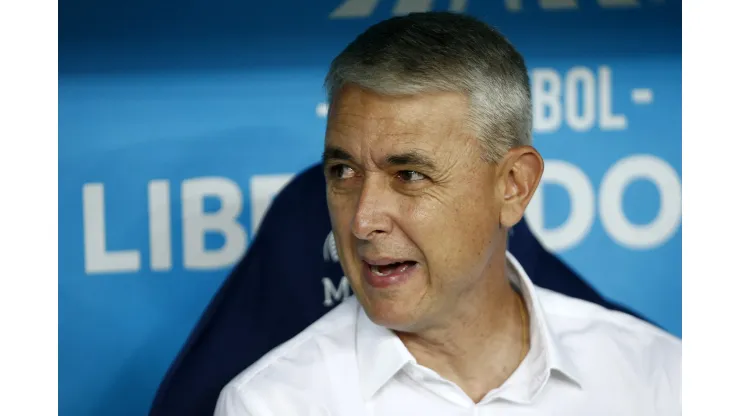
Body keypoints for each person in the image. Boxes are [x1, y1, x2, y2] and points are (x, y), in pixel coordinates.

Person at [214, 12, 681, 416]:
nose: (362, 221)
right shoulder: (271, 405)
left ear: (513, 187)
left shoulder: (660, 377)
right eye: (343, 171)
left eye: (410, 175)